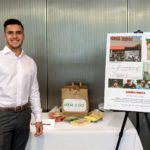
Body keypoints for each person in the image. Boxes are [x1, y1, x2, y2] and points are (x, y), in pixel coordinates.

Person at [0, 19, 43, 150]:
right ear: (5, 36)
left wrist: (38, 118)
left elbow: (34, 91)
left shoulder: (30, 62)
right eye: (10, 33)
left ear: (23, 35)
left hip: (24, 115)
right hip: (2, 116)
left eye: (18, 32)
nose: (14, 36)